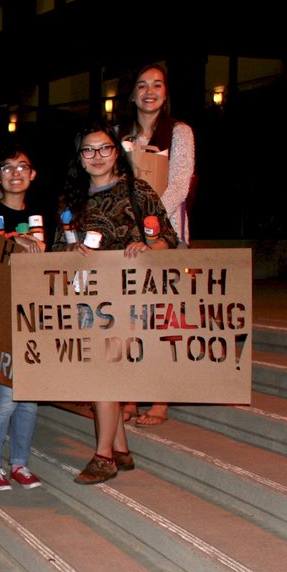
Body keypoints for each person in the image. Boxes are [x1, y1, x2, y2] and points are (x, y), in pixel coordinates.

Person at [51, 120, 178, 485]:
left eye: (104, 148)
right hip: (86, 298)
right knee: (100, 372)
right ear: (79, 157)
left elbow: (168, 238)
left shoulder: (138, 191)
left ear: (116, 152)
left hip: (129, 296)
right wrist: (70, 251)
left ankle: (104, 456)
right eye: (88, 150)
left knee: (104, 371)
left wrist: (149, 247)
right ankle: (120, 449)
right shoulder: (70, 199)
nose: (97, 156)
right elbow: (57, 249)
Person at [118, 63, 197, 427]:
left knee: (164, 318)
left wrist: (149, 220)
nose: (149, 92)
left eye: (157, 85)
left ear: (166, 93)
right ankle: (131, 396)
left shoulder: (179, 132)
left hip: (167, 235)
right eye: (142, 85)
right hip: (127, 239)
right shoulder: (119, 135)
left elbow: (180, 184)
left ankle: (160, 399)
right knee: (130, 318)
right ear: (132, 94)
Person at [0, 144, 47, 492]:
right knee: (3, 398)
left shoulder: (42, 217)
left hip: (33, 319)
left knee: (29, 399)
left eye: (22, 166)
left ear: (33, 174)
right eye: (8, 168)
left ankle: (19, 463)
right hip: (0, 317)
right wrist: (14, 247)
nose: (16, 173)